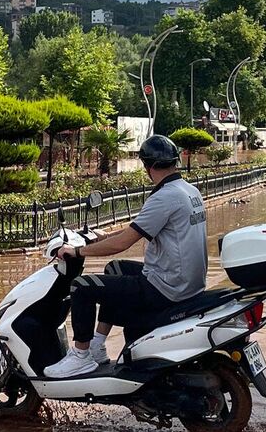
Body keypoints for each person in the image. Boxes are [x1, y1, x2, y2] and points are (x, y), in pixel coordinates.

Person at [45, 135, 208, 378]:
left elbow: (123, 243)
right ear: (175, 162)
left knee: (81, 286)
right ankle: (98, 346)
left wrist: (77, 251)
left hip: (165, 288)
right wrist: (101, 237)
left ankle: (80, 356)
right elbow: (138, 229)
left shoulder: (164, 197)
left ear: (148, 166)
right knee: (115, 269)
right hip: (187, 284)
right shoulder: (188, 190)